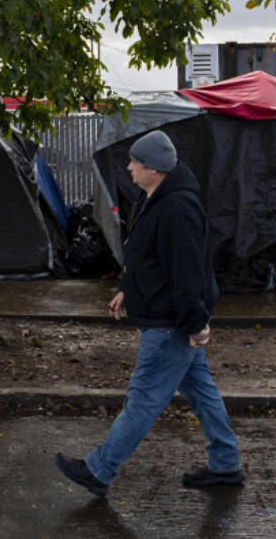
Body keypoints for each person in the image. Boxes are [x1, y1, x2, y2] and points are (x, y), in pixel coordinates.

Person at [54, 129, 243, 497]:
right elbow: (152, 257)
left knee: (143, 398)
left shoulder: (176, 208)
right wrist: (128, 289)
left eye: (135, 163)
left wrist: (194, 322)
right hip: (170, 316)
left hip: (171, 324)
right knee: (202, 392)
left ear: (153, 168)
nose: (129, 168)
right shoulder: (157, 198)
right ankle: (226, 463)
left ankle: (99, 469)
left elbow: (187, 271)